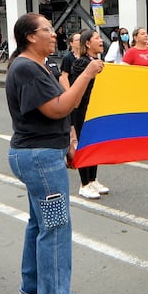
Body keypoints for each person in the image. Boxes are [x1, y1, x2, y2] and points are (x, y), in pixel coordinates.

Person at [6, 13, 103, 294]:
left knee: (39, 223)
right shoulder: (26, 68)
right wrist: (87, 74)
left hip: (40, 155)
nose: (54, 34)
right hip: (40, 159)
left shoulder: (38, 65)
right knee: (56, 227)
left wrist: (69, 143)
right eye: (47, 29)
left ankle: (32, 286)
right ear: (30, 36)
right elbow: (60, 107)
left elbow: (59, 107)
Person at [67, 28, 110, 199]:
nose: (101, 41)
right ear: (87, 43)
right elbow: (79, 88)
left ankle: (93, 179)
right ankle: (84, 184)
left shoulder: (98, 61)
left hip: (95, 109)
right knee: (85, 145)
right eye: (97, 38)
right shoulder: (81, 63)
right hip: (82, 111)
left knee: (95, 144)